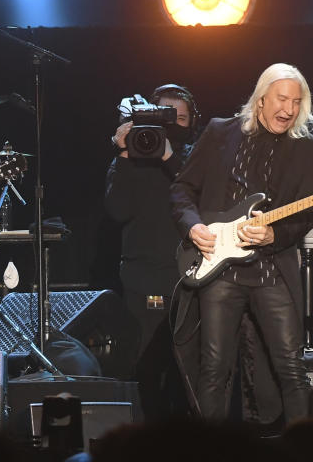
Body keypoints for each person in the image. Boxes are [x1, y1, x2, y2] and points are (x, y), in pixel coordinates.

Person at [169, 62, 313, 425]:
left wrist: (274, 234)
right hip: (220, 271)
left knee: (291, 368)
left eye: (297, 102)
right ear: (261, 99)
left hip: (271, 271)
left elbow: (305, 216)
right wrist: (193, 227)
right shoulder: (221, 132)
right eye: (282, 99)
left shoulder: (305, 148)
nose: (289, 109)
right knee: (214, 369)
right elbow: (182, 189)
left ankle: (304, 450)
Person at [104, 84, 199, 417]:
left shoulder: (195, 158)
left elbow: (204, 201)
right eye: (164, 116)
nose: (171, 125)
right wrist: (125, 154)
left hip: (191, 276)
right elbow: (116, 211)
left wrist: (170, 157)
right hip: (143, 277)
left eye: (180, 118)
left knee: (187, 370)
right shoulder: (130, 160)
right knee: (145, 367)